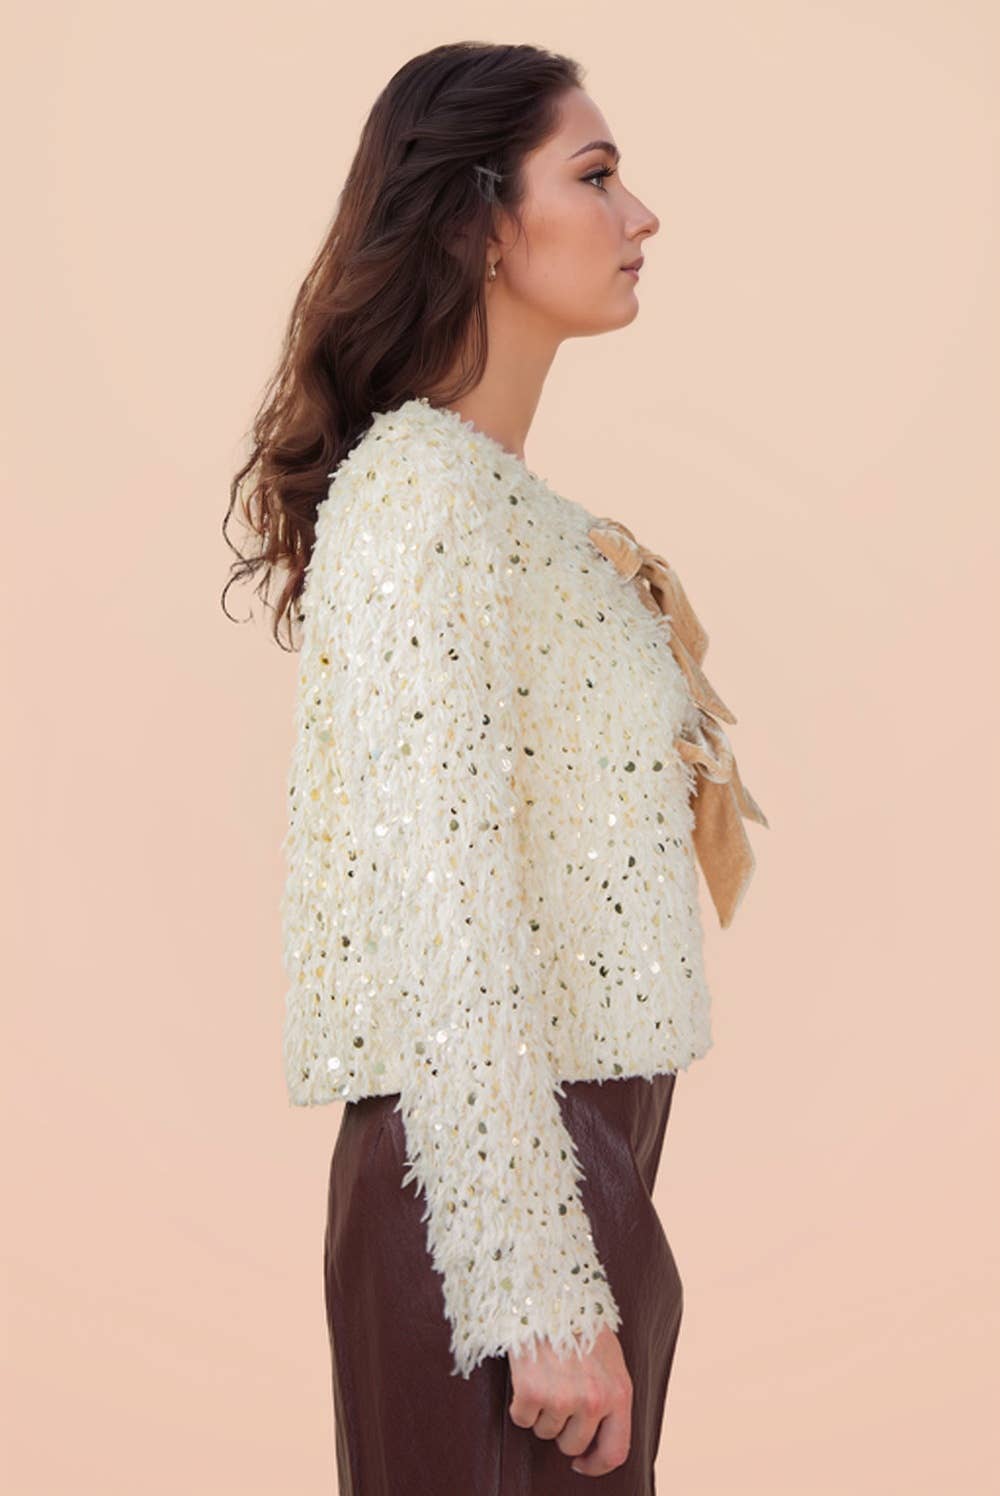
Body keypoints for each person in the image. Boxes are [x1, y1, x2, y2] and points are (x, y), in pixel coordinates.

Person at [223, 40, 767, 1495]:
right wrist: (534, 1285)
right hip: (490, 1203)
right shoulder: (419, 497)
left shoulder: (510, 510)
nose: (639, 213)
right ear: (479, 222)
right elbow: (443, 914)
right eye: (595, 175)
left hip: (573, 1173)